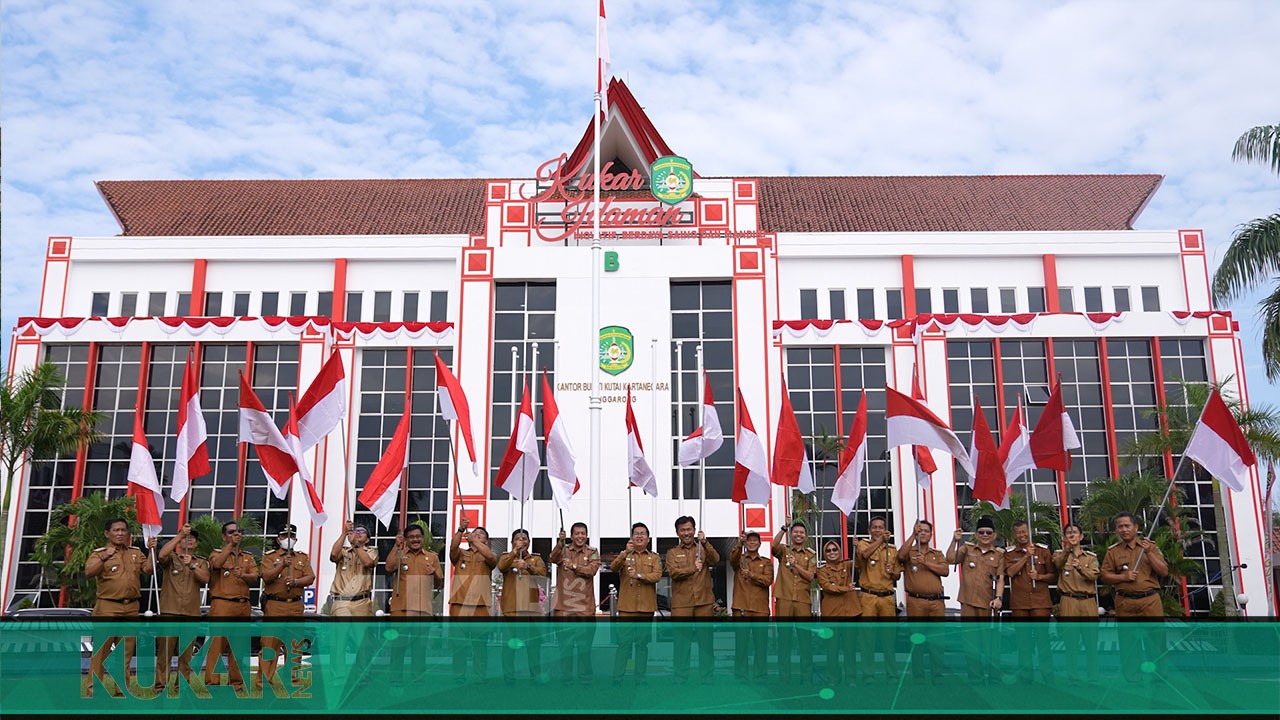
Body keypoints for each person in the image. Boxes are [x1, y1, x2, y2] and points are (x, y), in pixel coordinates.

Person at [85, 518, 155, 691]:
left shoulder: (135, 552)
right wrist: (105, 556)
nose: (120, 533)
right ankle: (94, 689)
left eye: (123, 530)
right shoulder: (99, 553)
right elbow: (89, 572)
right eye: (116, 530)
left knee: (125, 651)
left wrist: (152, 550)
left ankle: (121, 689)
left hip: (131, 608)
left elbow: (149, 570)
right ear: (107, 533)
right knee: (101, 650)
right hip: (107, 606)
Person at [1100, 512, 1169, 681]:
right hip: (1125, 602)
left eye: (1127, 526)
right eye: (1120, 527)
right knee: (1129, 643)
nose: (1123, 530)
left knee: (1156, 640)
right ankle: (1133, 678)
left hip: (1150, 601)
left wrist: (1149, 553)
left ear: (1136, 527)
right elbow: (1105, 576)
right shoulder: (1113, 551)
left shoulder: (1149, 546)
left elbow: (1164, 571)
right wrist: (1123, 577)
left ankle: (1159, 677)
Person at [203, 521, 259, 690]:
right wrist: (230, 546)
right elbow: (216, 565)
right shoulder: (217, 553)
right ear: (224, 536)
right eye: (231, 532)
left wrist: (243, 574)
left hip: (242, 605)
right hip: (222, 604)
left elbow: (255, 576)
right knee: (217, 645)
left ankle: (236, 682)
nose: (236, 534)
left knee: (239, 646)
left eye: (239, 532)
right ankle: (213, 682)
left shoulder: (247, 557)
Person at [946, 516, 1003, 682]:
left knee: (990, 643)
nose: (985, 534)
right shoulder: (967, 549)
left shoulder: (998, 555)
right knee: (971, 642)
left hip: (988, 604)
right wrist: (954, 540)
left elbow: (1000, 578)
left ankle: (994, 676)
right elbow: (950, 559)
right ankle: (975, 676)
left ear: (994, 535)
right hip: (968, 602)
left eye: (988, 532)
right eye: (981, 532)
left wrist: (999, 598)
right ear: (976, 534)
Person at [385, 524, 443, 690]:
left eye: (418, 536)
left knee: (419, 648)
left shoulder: (432, 557)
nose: (415, 539)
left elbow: (440, 584)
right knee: (397, 646)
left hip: (422, 609)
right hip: (401, 608)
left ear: (422, 538)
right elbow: (388, 567)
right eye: (411, 537)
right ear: (406, 539)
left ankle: (418, 680)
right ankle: (395, 679)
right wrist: (396, 546)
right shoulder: (400, 554)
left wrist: (435, 573)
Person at [259, 524, 315, 687]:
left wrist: (297, 581)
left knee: (295, 644)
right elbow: (267, 577)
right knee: (270, 643)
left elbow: (310, 577)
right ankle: (264, 679)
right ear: (278, 539)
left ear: (295, 539)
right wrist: (282, 565)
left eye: (291, 536)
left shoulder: (302, 557)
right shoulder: (270, 557)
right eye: (284, 536)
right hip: (275, 605)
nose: (288, 540)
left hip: (295, 605)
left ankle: (292, 678)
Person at [666, 515, 720, 683]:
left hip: (704, 601)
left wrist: (705, 542)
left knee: (706, 641)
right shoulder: (672, 552)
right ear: (677, 532)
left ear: (695, 530)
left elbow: (716, 559)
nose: (686, 533)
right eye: (682, 530)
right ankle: (681, 676)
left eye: (689, 529)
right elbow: (673, 573)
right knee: (682, 642)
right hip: (682, 603)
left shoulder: (702, 549)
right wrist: (691, 568)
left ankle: (707, 676)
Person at [1001, 519, 1056, 682]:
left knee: (1043, 640)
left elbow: (1053, 575)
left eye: (1024, 531)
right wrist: (1026, 557)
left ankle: (1048, 674)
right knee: (1023, 641)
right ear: (1014, 535)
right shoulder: (1010, 553)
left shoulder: (1043, 551)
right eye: (1018, 533)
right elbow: (1010, 572)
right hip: (1020, 603)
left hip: (1040, 602)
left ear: (1029, 531)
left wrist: (1039, 576)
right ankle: (1026, 675)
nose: (1022, 535)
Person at [155, 524, 208, 689]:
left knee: (186, 655)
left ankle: (182, 685)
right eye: (187, 537)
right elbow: (161, 555)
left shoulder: (201, 562)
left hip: (191, 613)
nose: (189, 540)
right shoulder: (171, 558)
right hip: (169, 612)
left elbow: (205, 579)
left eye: (192, 538)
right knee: (165, 653)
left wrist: (192, 565)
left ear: (196, 543)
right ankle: (160, 685)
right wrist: (179, 536)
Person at [610, 522, 662, 685]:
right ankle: (618, 677)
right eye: (636, 533)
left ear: (648, 538)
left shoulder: (654, 557)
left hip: (646, 607)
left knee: (641, 644)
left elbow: (657, 576)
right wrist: (624, 552)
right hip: (627, 607)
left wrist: (639, 575)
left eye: (643, 533)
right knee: (624, 644)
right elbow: (613, 568)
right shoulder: (625, 555)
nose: (639, 536)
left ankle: (639, 677)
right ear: (632, 537)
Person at [549, 522, 600, 686]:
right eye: (576, 533)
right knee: (565, 647)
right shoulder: (563, 550)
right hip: (564, 608)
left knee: (584, 647)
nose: (580, 536)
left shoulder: (593, 552)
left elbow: (591, 571)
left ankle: (585, 678)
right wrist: (559, 542)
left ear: (586, 535)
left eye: (583, 533)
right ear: (571, 536)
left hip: (585, 608)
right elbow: (552, 558)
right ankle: (566, 678)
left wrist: (574, 565)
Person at [897, 519, 948, 683]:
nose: (923, 533)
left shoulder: (937, 553)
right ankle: (918, 675)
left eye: (926, 531)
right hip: (916, 601)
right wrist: (912, 534)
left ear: (931, 534)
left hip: (936, 602)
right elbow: (900, 555)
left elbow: (945, 571)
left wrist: (925, 562)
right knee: (917, 639)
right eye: (920, 531)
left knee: (937, 640)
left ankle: (937, 674)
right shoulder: (910, 552)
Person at [328, 520, 379, 679]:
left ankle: (363, 675)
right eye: (355, 530)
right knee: (339, 642)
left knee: (362, 642)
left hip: (361, 601)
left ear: (368, 538)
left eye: (362, 532)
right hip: (341, 600)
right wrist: (344, 533)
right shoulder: (344, 551)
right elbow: (333, 556)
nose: (358, 533)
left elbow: (368, 562)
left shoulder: (372, 550)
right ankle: (338, 676)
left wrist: (356, 545)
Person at [449, 517, 498, 680]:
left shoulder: (489, 556)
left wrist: (474, 542)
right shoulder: (461, 554)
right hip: (459, 603)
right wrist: (460, 530)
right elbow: (453, 548)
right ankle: (459, 675)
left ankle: (479, 676)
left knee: (480, 644)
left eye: (481, 534)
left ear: (486, 540)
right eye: (475, 533)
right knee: (458, 643)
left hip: (480, 605)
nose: (477, 535)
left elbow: (491, 558)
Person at [497, 528, 547, 684]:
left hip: (531, 610)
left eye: (524, 538)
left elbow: (543, 575)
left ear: (529, 542)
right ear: (512, 542)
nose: (521, 541)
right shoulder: (507, 557)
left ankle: (535, 676)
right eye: (518, 538)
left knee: (533, 645)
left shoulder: (535, 559)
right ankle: (509, 678)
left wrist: (527, 566)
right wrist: (514, 552)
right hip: (512, 608)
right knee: (510, 646)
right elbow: (500, 566)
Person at [856, 517, 902, 681]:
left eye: (880, 527)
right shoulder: (863, 544)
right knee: (868, 638)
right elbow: (864, 555)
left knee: (889, 638)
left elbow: (897, 574)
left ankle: (891, 673)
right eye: (874, 527)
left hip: (887, 597)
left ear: (885, 530)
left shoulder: (892, 549)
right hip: (869, 596)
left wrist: (892, 572)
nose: (877, 530)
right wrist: (880, 541)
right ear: (869, 530)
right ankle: (868, 673)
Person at [1054, 523, 1100, 682]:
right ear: (1065, 537)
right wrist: (1068, 550)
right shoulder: (1059, 554)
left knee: (1091, 641)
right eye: (1068, 533)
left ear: (1081, 536)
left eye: (1075, 533)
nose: (1072, 535)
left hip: (1087, 601)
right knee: (1071, 641)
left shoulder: (1091, 557)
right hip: (1068, 600)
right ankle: (1073, 676)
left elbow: (1094, 576)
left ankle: (1093, 676)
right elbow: (1057, 565)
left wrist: (1080, 568)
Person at [772, 521, 817, 683]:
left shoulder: (811, 555)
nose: (798, 535)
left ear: (805, 536)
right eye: (795, 532)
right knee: (784, 640)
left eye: (801, 533)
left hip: (802, 601)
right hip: (784, 599)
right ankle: (784, 677)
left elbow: (811, 576)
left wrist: (796, 565)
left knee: (804, 640)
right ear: (791, 535)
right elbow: (773, 546)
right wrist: (783, 527)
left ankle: (807, 677)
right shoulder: (784, 550)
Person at [729, 531, 772, 682]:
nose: (752, 542)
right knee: (741, 645)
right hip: (741, 607)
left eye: (755, 540)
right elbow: (731, 560)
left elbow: (768, 580)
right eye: (749, 540)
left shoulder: (766, 562)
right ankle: (740, 676)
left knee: (761, 645)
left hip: (760, 609)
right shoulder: (739, 560)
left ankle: (760, 675)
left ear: (760, 544)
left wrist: (752, 575)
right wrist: (739, 543)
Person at [816, 540, 861, 684]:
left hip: (850, 612)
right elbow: (827, 586)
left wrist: (857, 546)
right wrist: (845, 589)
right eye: (828, 550)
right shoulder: (821, 570)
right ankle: (833, 678)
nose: (832, 552)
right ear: (825, 554)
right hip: (832, 614)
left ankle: (851, 679)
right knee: (832, 649)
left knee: (850, 649)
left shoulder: (847, 565)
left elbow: (860, 562)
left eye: (834, 549)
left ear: (839, 551)